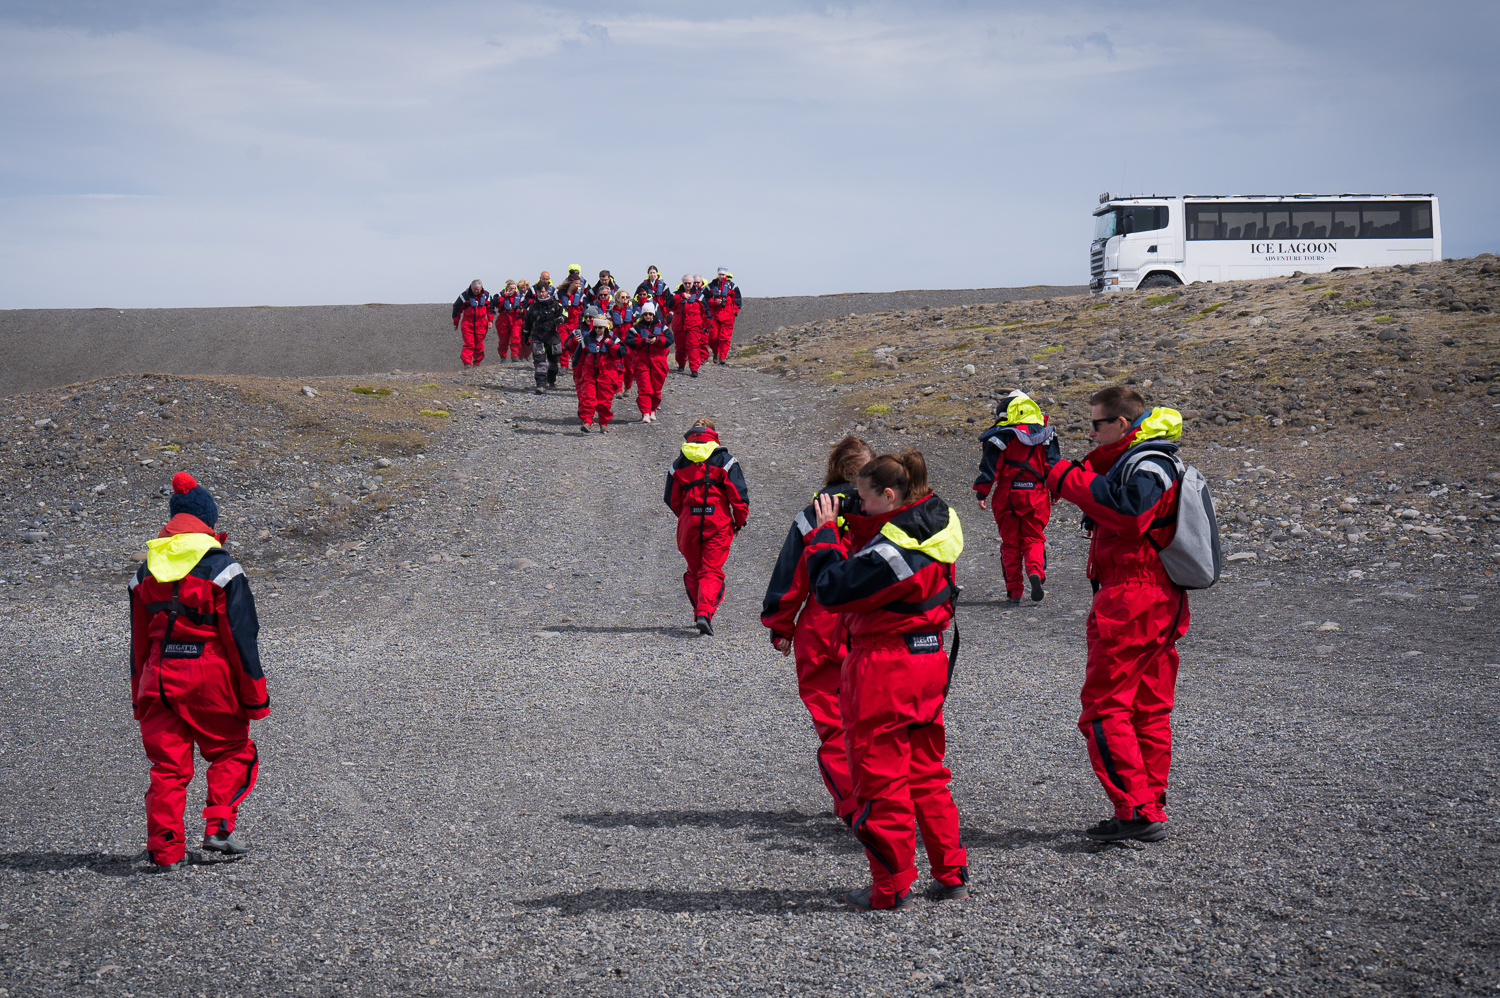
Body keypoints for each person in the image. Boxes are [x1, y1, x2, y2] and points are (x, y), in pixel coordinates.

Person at [803, 450, 968, 910]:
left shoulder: (890, 552)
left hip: (884, 666)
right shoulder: (934, 524)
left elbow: (833, 588)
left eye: (863, 497)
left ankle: (891, 887)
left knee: (880, 779)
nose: (857, 504)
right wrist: (858, 526)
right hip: (927, 659)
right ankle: (951, 872)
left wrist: (824, 537)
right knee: (927, 772)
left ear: (889, 495)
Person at [1046, 385, 1190, 844]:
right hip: (1157, 596)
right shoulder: (1153, 459)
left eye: (1096, 424)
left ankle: (1136, 809)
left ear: (1122, 425)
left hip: (1134, 596)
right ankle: (1150, 802)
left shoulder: (1147, 464)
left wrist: (1067, 478)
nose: (1090, 433)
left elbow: (1129, 515)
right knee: (1148, 707)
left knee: (1105, 709)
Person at [129, 472, 267, 871]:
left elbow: (139, 642)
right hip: (209, 680)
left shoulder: (145, 572)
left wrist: (139, 694)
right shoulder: (223, 568)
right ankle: (219, 828)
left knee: (167, 768)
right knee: (233, 751)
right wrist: (255, 695)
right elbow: (241, 637)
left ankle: (165, 851)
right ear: (209, 523)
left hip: (157, 679)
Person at [761, 435, 875, 828]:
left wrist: (780, 625)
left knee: (834, 725)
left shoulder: (811, 514)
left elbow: (792, 574)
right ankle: (886, 803)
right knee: (876, 722)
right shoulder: (888, 510)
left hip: (822, 628)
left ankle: (857, 808)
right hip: (872, 626)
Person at [974, 390, 1060, 606]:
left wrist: (982, 492)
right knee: (1033, 538)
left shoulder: (999, 436)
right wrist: (1057, 492)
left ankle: (1014, 592)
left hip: (1007, 496)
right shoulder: (1046, 435)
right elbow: (1053, 466)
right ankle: (1035, 573)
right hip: (1036, 496)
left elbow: (990, 469)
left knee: (1010, 544)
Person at [664, 420, 748, 634]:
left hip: (689, 523)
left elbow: (671, 499)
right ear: (714, 436)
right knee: (711, 570)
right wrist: (739, 521)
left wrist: (685, 516)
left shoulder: (679, 463)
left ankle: (700, 612)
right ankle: (704, 613)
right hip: (717, 522)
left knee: (694, 570)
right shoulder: (726, 461)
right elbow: (738, 497)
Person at [573, 304, 627, 432]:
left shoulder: (613, 339)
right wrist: (577, 374)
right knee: (587, 399)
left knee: (605, 402)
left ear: (605, 326)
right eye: (596, 327)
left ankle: (603, 424)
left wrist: (611, 344)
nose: (598, 329)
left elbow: (622, 352)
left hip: (606, 375)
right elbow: (578, 358)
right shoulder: (587, 339)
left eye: (601, 327)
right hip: (589, 374)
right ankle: (587, 422)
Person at [626, 302, 673, 422]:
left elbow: (670, 339)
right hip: (642, 361)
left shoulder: (661, 326)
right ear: (642, 314)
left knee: (656, 389)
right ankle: (645, 413)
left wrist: (657, 340)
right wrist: (643, 341)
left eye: (650, 314)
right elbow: (629, 341)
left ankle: (653, 410)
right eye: (645, 314)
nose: (648, 316)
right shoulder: (636, 327)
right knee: (644, 388)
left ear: (653, 314)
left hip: (659, 361)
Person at [524, 285, 567, 394]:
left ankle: (551, 381)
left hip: (552, 336)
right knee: (540, 362)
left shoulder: (555, 305)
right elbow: (527, 323)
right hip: (538, 336)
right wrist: (526, 335)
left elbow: (565, 313)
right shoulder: (532, 307)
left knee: (554, 362)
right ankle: (541, 385)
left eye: (543, 292)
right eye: (539, 292)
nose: (541, 294)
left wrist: (561, 319)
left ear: (547, 292)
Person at [671, 274, 710, 377]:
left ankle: (694, 368)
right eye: (686, 283)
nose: (688, 285)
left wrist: (707, 324)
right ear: (682, 283)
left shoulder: (699, 295)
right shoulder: (677, 294)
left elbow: (705, 311)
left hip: (694, 325)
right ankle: (681, 365)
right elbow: (669, 305)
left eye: (689, 283)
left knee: (693, 347)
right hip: (679, 325)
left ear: (693, 283)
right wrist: (681, 297)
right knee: (680, 347)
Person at [451, 279, 494, 371]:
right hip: (467, 324)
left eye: (478, 289)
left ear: (481, 288)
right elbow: (456, 309)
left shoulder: (487, 296)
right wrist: (456, 322)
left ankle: (477, 363)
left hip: (481, 324)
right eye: (474, 289)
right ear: (471, 287)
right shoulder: (464, 297)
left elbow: (491, 309)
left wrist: (490, 321)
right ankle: (467, 363)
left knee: (479, 345)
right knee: (469, 344)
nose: (476, 291)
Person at [704, 267, 742, 366]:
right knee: (712, 338)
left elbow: (737, 302)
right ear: (718, 275)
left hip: (728, 316)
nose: (722, 276)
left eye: (723, 275)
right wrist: (714, 302)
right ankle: (715, 353)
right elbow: (704, 300)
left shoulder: (733, 287)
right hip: (714, 316)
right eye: (720, 274)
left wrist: (734, 313)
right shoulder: (710, 286)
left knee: (725, 338)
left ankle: (722, 358)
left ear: (726, 275)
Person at [556, 269, 589, 371]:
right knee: (563, 345)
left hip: (575, 324)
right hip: (563, 323)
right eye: (577, 283)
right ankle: (564, 366)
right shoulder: (560, 294)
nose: (579, 285)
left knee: (577, 344)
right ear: (571, 283)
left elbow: (585, 309)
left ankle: (576, 365)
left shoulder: (581, 295)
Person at [609, 289, 637, 395]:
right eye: (622, 297)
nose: (625, 300)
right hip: (617, 342)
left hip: (629, 343)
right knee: (618, 366)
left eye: (626, 297)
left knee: (630, 368)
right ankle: (619, 389)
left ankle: (628, 387)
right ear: (617, 299)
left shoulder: (632, 311)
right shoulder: (611, 311)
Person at [496, 280, 527, 362]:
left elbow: (524, 306)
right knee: (503, 341)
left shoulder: (519, 297)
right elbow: (496, 304)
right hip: (503, 319)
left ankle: (514, 356)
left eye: (514, 288)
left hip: (515, 319)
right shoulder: (500, 295)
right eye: (511, 288)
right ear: (507, 288)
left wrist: (522, 310)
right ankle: (503, 357)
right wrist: (505, 296)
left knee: (516, 338)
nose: (512, 290)